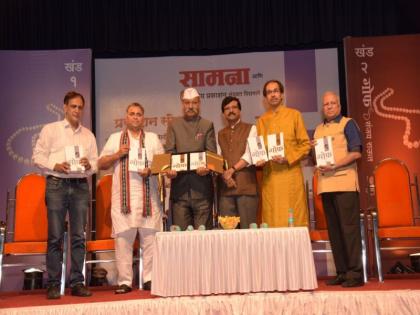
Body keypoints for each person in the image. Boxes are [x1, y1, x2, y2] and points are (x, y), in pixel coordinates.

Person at [33, 91, 98, 299]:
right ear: (64, 107)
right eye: (73, 106)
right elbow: (37, 156)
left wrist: (90, 165)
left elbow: (95, 163)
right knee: (55, 236)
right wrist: (56, 165)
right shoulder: (51, 130)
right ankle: (53, 283)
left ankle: (77, 282)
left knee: (79, 236)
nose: (77, 110)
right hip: (57, 184)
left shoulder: (88, 135)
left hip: (80, 185)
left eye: (80, 107)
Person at [97, 103, 164, 293]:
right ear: (126, 118)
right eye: (132, 114)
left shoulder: (152, 139)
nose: (136, 117)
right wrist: (118, 154)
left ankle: (150, 279)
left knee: (150, 239)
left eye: (139, 114)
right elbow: (100, 163)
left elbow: (162, 165)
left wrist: (151, 170)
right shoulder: (115, 138)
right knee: (123, 241)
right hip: (123, 200)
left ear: (144, 118)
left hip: (148, 199)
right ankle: (125, 281)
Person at [313, 91, 364, 287]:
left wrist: (335, 165)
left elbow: (356, 153)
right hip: (326, 186)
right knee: (334, 231)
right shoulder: (318, 130)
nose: (329, 106)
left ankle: (355, 273)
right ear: (322, 108)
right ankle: (342, 271)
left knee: (349, 230)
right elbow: (317, 158)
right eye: (326, 104)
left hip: (345, 183)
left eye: (333, 103)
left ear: (339, 106)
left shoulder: (348, 124)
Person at [256, 80, 310, 227]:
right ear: (265, 98)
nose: (273, 95)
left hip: (291, 176)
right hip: (271, 179)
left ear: (281, 95)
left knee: (293, 221)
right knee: (272, 221)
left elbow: (306, 145)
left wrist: (288, 158)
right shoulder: (261, 121)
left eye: (275, 91)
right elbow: (260, 150)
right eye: (269, 92)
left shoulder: (294, 115)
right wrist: (260, 160)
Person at [165, 87, 217, 230]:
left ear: (199, 104)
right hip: (180, 192)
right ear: (182, 104)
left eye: (194, 103)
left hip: (202, 191)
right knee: (181, 240)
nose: (190, 106)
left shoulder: (207, 125)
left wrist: (208, 168)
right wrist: (169, 169)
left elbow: (212, 155)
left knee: (203, 239)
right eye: (187, 103)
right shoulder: (174, 125)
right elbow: (169, 152)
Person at [217, 96, 258, 229]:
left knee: (248, 234)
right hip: (226, 190)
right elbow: (218, 158)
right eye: (227, 109)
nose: (231, 111)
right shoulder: (220, 133)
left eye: (234, 107)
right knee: (227, 236)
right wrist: (225, 174)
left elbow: (250, 154)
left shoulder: (251, 128)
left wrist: (232, 170)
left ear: (240, 110)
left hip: (246, 189)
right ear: (223, 114)